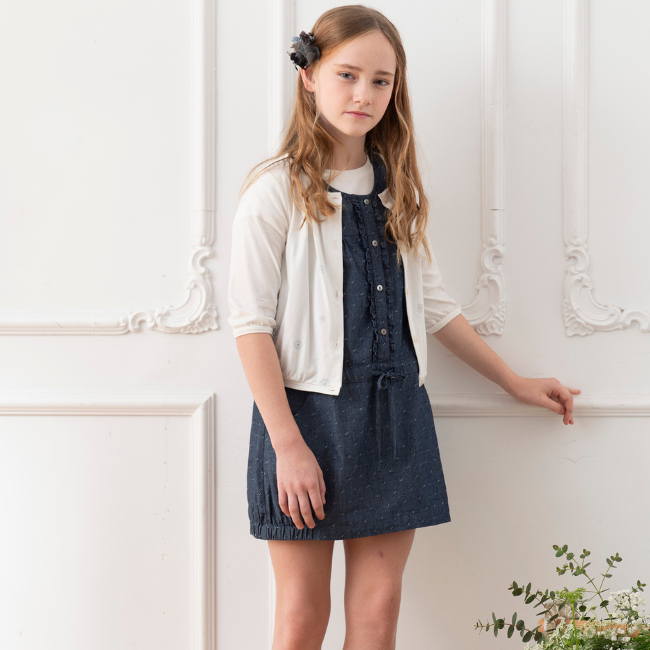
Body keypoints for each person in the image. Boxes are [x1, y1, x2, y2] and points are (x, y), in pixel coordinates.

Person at [227, 5, 580, 649]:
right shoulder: (275, 191)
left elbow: (435, 307)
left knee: (380, 609)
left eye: (381, 81)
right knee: (302, 615)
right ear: (309, 76)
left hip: (395, 416)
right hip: (305, 418)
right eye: (347, 75)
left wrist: (514, 382)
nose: (363, 94)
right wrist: (288, 447)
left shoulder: (399, 191)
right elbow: (250, 326)